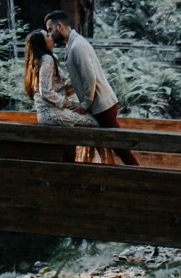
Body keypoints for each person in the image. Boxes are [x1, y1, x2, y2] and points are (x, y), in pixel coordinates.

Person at [46, 11, 139, 166]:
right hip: (98, 105)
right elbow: (80, 78)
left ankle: (139, 176)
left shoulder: (77, 47)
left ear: (60, 26)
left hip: (102, 106)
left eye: (50, 29)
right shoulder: (73, 44)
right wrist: (63, 90)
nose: (50, 34)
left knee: (120, 148)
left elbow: (90, 78)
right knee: (110, 148)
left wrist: (84, 105)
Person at [23, 29, 96, 127]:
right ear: (43, 43)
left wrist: (82, 81)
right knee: (93, 122)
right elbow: (45, 91)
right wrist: (66, 103)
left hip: (49, 112)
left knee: (89, 116)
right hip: (52, 112)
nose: (51, 35)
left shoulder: (40, 61)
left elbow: (58, 89)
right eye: (48, 35)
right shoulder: (47, 59)